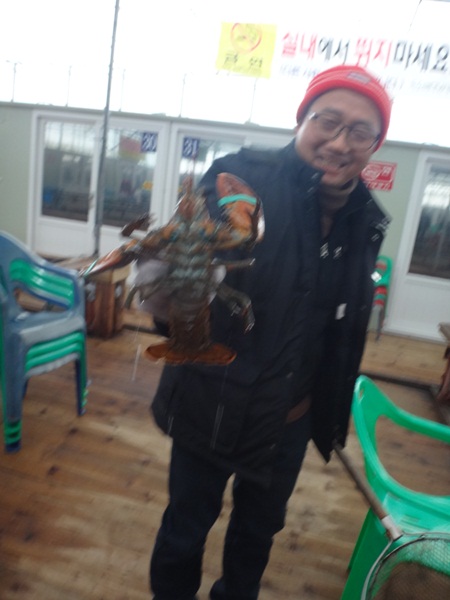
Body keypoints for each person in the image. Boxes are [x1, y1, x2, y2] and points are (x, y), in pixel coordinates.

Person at [148, 64, 392, 600]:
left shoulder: (364, 219)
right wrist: (167, 284)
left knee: (256, 540)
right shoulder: (241, 178)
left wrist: (326, 414)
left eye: (360, 132)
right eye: (327, 120)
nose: (340, 142)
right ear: (301, 119)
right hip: (211, 403)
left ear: (374, 145)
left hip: (289, 419)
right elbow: (199, 236)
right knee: (184, 531)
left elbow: (339, 329)